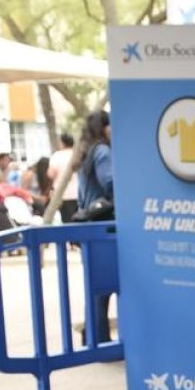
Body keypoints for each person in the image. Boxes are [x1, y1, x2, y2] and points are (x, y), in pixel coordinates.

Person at [77, 111, 115, 344]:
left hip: (91, 224)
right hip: (104, 223)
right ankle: (99, 338)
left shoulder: (86, 152)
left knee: (96, 285)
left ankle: (94, 336)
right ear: (103, 127)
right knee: (105, 285)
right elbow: (110, 183)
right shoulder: (102, 151)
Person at [47, 133, 81, 223]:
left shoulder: (57, 156)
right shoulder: (77, 154)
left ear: (62, 142)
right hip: (79, 193)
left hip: (64, 194)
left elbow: (51, 174)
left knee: (68, 221)